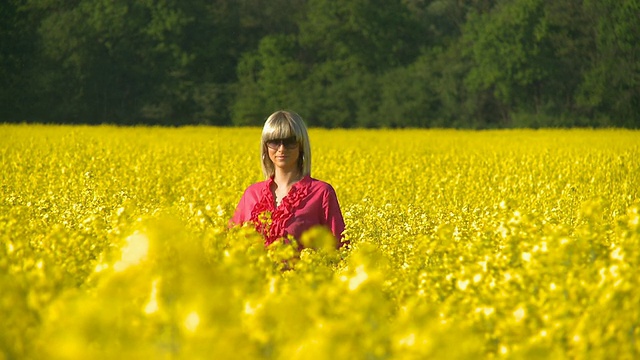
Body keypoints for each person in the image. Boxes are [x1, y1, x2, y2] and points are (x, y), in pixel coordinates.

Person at [230, 110, 346, 249]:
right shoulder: (251, 194)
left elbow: (339, 250)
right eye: (274, 142)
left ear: (301, 145)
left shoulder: (321, 193)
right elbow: (231, 245)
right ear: (265, 147)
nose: (282, 149)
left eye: (290, 141)